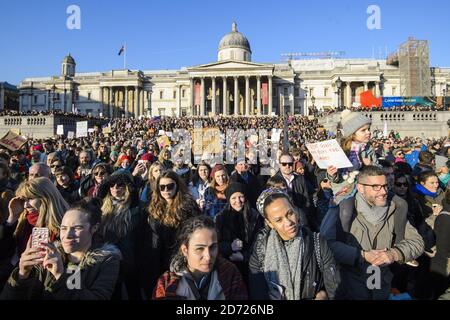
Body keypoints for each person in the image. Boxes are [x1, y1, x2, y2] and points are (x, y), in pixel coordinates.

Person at [321, 165, 424, 299]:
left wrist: (394, 254)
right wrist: (361, 255)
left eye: (385, 186)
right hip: (349, 287)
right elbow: (324, 245)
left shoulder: (395, 209)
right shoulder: (343, 209)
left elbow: (417, 242)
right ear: (360, 188)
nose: (383, 192)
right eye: (375, 187)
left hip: (381, 285)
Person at [0, 198, 121, 300]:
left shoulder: (107, 260)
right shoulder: (48, 254)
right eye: (63, 228)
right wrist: (22, 275)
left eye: (77, 228)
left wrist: (60, 275)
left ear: (94, 228)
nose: (67, 235)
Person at [249, 188, 340, 300]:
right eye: (279, 220)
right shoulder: (260, 251)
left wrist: (324, 295)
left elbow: (335, 287)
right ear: (269, 223)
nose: (288, 222)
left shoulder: (317, 242)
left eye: (290, 213)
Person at [152, 215, 248, 300]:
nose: (208, 256)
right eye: (199, 249)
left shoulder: (230, 274)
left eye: (213, 247)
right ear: (185, 250)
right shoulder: (166, 283)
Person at [138, 171, 201, 298]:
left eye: (170, 186)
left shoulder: (188, 207)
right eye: (162, 187)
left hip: (180, 259)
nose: (166, 190)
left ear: (177, 186)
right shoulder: (152, 207)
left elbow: (195, 233)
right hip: (155, 260)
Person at [97, 171, 142, 299]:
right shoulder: (102, 208)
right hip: (109, 261)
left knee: (134, 294)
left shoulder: (137, 208)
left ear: (127, 187)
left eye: (120, 184)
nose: (115, 188)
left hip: (131, 261)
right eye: (111, 185)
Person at [214, 183, 263, 282]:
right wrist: (229, 247)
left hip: (252, 266)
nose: (238, 201)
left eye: (241, 196)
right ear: (228, 200)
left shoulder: (255, 216)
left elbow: (260, 243)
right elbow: (215, 244)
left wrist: (244, 256)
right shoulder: (220, 218)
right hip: (228, 266)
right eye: (233, 198)